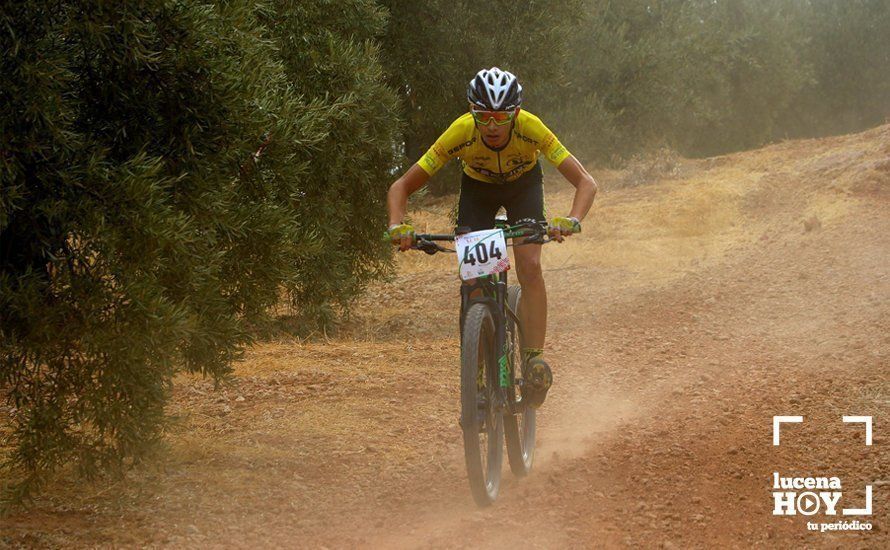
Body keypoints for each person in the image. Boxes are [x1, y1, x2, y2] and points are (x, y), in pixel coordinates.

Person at [386, 67, 597, 408]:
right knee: (474, 282)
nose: (493, 126)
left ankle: (532, 362)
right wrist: (398, 226)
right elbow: (401, 186)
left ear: (515, 114)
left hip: (523, 189)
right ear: (473, 114)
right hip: (478, 193)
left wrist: (572, 219)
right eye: (483, 117)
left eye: (502, 116)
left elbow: (586, 182)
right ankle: (477, 372)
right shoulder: (460, 132)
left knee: (529, 266)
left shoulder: (531, 128)